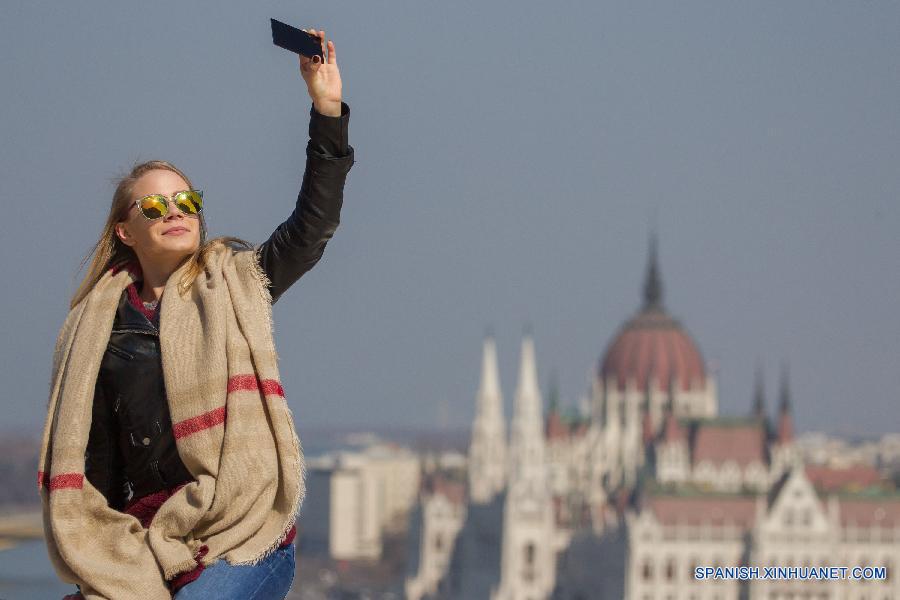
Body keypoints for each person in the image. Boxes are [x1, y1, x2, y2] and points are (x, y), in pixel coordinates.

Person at [38, 28, 353, 600]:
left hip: (245, 535)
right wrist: (101, 567)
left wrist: (326, 110)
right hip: (151, 537)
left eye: (188, 201)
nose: (176, 212)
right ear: (125, 230)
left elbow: (311, 230)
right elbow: (99, 467)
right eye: (156, 205)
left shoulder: (235, 285)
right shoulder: (97, 332)